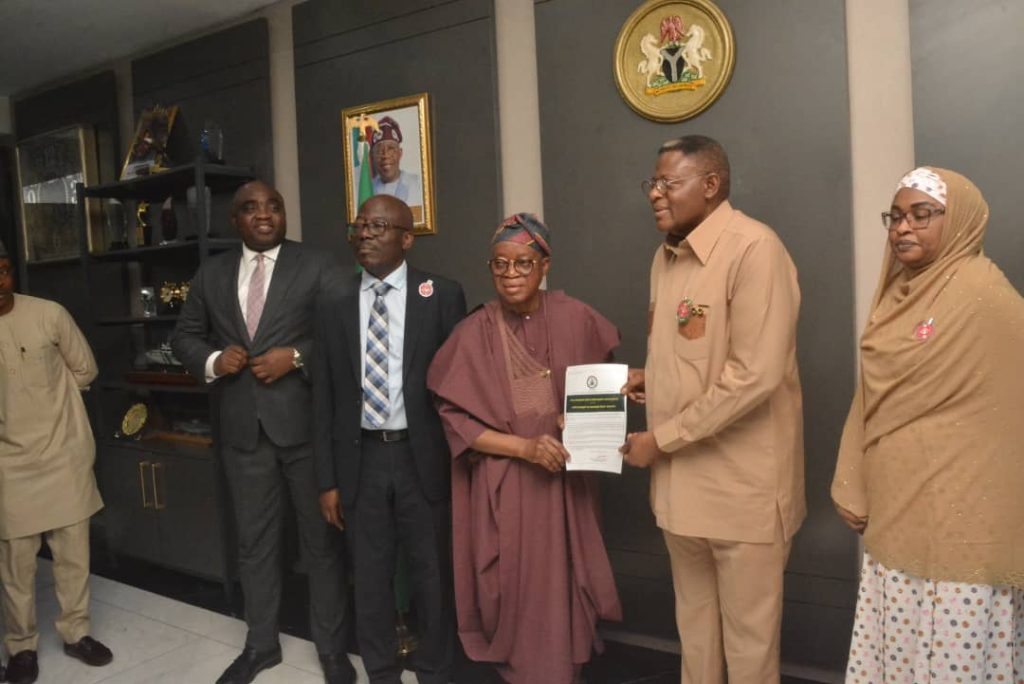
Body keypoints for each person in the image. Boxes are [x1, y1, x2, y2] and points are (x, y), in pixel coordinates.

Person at [620, 135, 805, 684]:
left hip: (742, 495)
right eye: (652, 183)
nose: (655, 194)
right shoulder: (665, 256)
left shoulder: (755, 248)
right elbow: (698, 357)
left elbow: (754, 376)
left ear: (710, 184)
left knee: (749, 651)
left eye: (668, 183)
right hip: (680, 494)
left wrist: (661, 439)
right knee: (696, 642)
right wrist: (651, 379)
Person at [831, 167, 1024, 682]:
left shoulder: (986, 296)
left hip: (964, 523)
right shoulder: (899, 296)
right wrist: (854, 475)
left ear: (958, 220)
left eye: (921, 215)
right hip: (899, 508)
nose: (902, 228)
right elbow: (872, 396)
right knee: (898, 652)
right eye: (895, 217)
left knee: (951, 661)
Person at [170, 180, 355, 684]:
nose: (265, 214)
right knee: (254, 545)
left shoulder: (317, 265)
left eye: (274, 206)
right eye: (251, 208)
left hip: (306, 432)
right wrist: (213, 359)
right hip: (243, 433)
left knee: (320, 543)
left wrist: (295, 357)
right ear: (236, 221)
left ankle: (333, 650)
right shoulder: (211, 273)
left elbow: (345, 333)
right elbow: (184, 336)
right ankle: (261, 645)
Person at [426, 213, 622, 684]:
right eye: (500, 265)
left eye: (523, 264)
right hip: (507, 480)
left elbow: (601, 385)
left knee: (566, 578)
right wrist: (523, 448)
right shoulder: (472, 332)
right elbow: (456, 421)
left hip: (567, 476)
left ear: (545, 264)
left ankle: (564, 660)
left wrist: (573, 419)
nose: (511, 276)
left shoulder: (575, 316)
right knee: (514, 581)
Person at [312, 193, 465, 684]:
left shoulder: (441, 294)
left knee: (432, 571)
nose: (365, 234)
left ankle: (436, 666)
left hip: (423, 458)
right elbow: (326, 397)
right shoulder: (334, 301)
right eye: (360, 225)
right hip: (362, 459)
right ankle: (380, 669)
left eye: (378, 226)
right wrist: (327, 480)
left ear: (406, 238)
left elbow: (459, 387)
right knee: (370, 574)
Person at [0, 241, 114, 684]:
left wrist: (52, 406)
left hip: (63, 453)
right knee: (17, 565)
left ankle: (76, 633)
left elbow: (85, 369)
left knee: (72, 554)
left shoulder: (49, 313)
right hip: (8, 463)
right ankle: (21, 647)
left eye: (5, 270)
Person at [370, 117, 423, 207]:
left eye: (390, 149)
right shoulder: (367, 189)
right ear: (372, 156)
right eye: (379, 150)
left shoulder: (418, 184)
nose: (385, 155)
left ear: (400, 153)